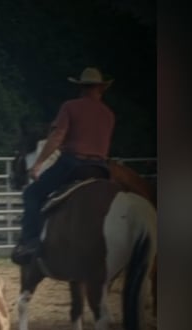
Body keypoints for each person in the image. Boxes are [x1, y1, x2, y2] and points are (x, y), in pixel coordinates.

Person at [11, 67, 116, 265]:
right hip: (101, 168)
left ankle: (31, 242)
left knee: (32, 194)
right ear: (101, 88)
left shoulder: (70, 107)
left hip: (73, 164)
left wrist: (39, 163)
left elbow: (57, 137)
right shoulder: (108, 114)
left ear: (81, 87)